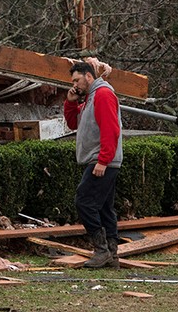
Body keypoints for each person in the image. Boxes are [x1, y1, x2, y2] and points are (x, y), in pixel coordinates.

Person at [64, 59, 123, 269]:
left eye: (77, 80)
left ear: (89, 76)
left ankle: (101, 251)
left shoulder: (103, 94)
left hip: (101, 160)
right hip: (100, 159)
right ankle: (112, 254)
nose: (75, 85)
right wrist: (71, 102)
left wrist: (103, 160)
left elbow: (111, 129)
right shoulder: (90, 98)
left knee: (84, 201)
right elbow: (74, 124)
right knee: (106, 207)